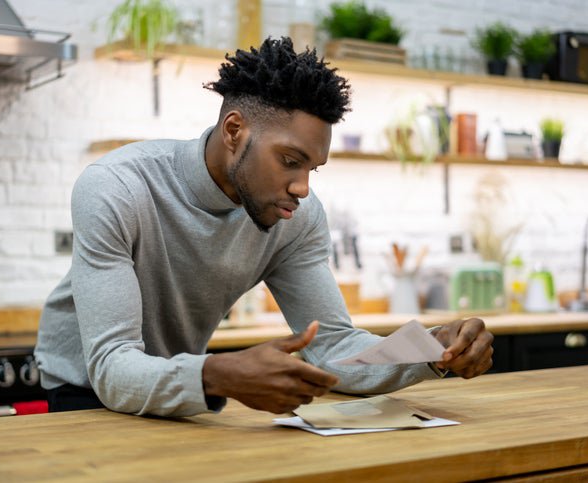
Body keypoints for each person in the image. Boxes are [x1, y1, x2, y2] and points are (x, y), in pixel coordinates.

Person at [34, 37, 493, 417]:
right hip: (85, 391)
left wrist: (430, 350)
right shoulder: (116, 188)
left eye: (313, 168)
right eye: (290, 162)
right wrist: (215, 374)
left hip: (185, 383)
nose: (303, 188)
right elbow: (112, 368)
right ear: (234, 131)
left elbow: (333, 347)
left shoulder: (296, 219)